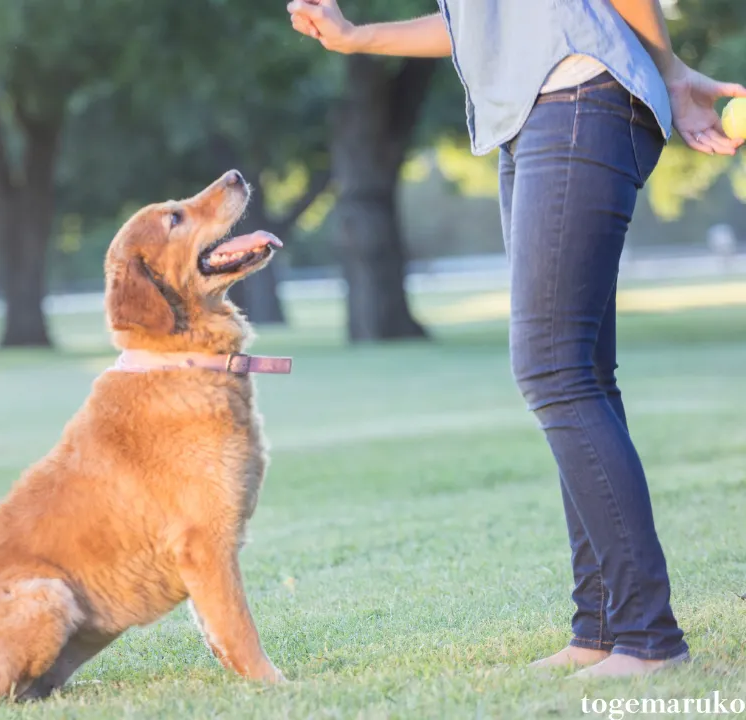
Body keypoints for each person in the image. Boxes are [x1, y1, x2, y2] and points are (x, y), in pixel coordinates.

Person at [287, 0, 745, 677]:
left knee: (552, 370)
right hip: (537, 114)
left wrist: (671, 69)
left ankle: (650, 638)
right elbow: (476, 24)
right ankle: (600, 627)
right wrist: (356, 39)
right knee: (581, 371)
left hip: (580, 96)